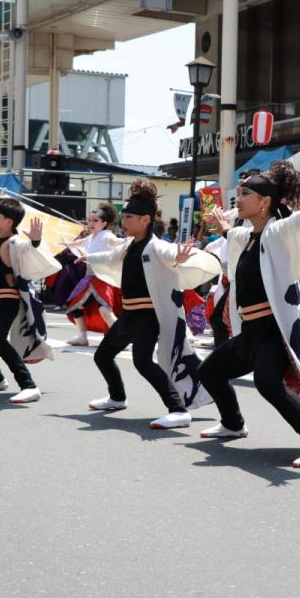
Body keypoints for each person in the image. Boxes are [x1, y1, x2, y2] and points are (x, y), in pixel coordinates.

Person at [195, 162, 300, 469]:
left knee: (267, 383)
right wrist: (223, 225)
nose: (240, 197)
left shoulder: (276, 231)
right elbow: (231, 234)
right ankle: (233, 424)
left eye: (246, 193)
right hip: (249, 331)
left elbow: (299, 223)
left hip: (271, 331)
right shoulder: (248, 236)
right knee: (210, 371)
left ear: (265, 202)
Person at [80, 180, 222, 428]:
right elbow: (108, 257)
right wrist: (86, 256)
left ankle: (178, 409)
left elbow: (170, 253)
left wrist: (179, 257)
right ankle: (117, 397)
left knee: (142, 361)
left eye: (128, 217)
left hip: (148, 315)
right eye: (123, 217)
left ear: (145, 219)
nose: (124, 223)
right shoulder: (127, 246)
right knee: (103, 355)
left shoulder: (156, 246)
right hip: (129, 315)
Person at [0, 198, 61, 405]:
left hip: (6, 300)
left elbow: (30, 253)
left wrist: (35, 242)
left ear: (9, 221)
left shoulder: (14, 243)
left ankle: (29, 386)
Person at [64, 203, 125, 346]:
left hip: (103, 279)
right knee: (75, 306)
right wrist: (66, 243)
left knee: (104, 309)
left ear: (104, 223)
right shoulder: (92, 237)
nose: (91, 223)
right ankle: (82, 337)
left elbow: (119, 242)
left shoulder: (107, 235)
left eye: (95, 221)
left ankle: (122, 339)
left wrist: (129, 241)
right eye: (89, 220)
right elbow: (79, 243)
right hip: (89, 277)